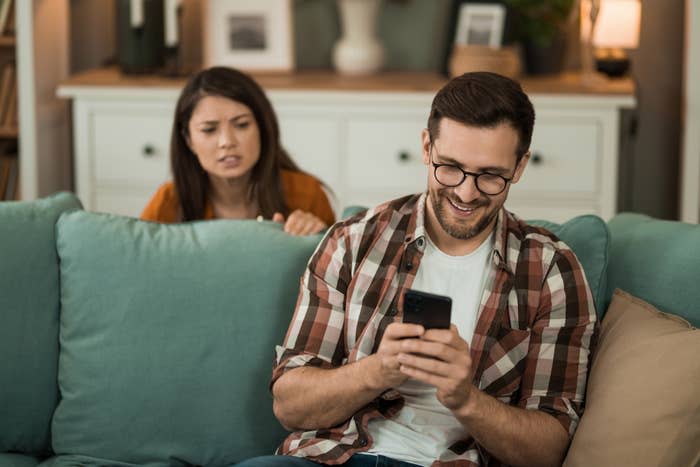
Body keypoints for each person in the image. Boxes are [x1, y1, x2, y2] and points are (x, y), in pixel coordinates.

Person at [240, 72, 598, 467]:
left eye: (491, 176)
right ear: (427, 147)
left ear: (520, 166)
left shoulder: (550, 270)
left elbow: (549, 451)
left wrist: (465, 398)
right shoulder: (353, 241)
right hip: (334, 457)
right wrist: (379, 370)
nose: (466, 192)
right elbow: (290, 406)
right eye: (450, 167)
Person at [141, 67, 335, 235]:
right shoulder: (168, 202)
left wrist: (316, 237)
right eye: (209, 130)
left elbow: (338, 273)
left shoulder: (307, 195)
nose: (227, 142)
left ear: (262, 129)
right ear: (189, 140)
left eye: (242, 125)